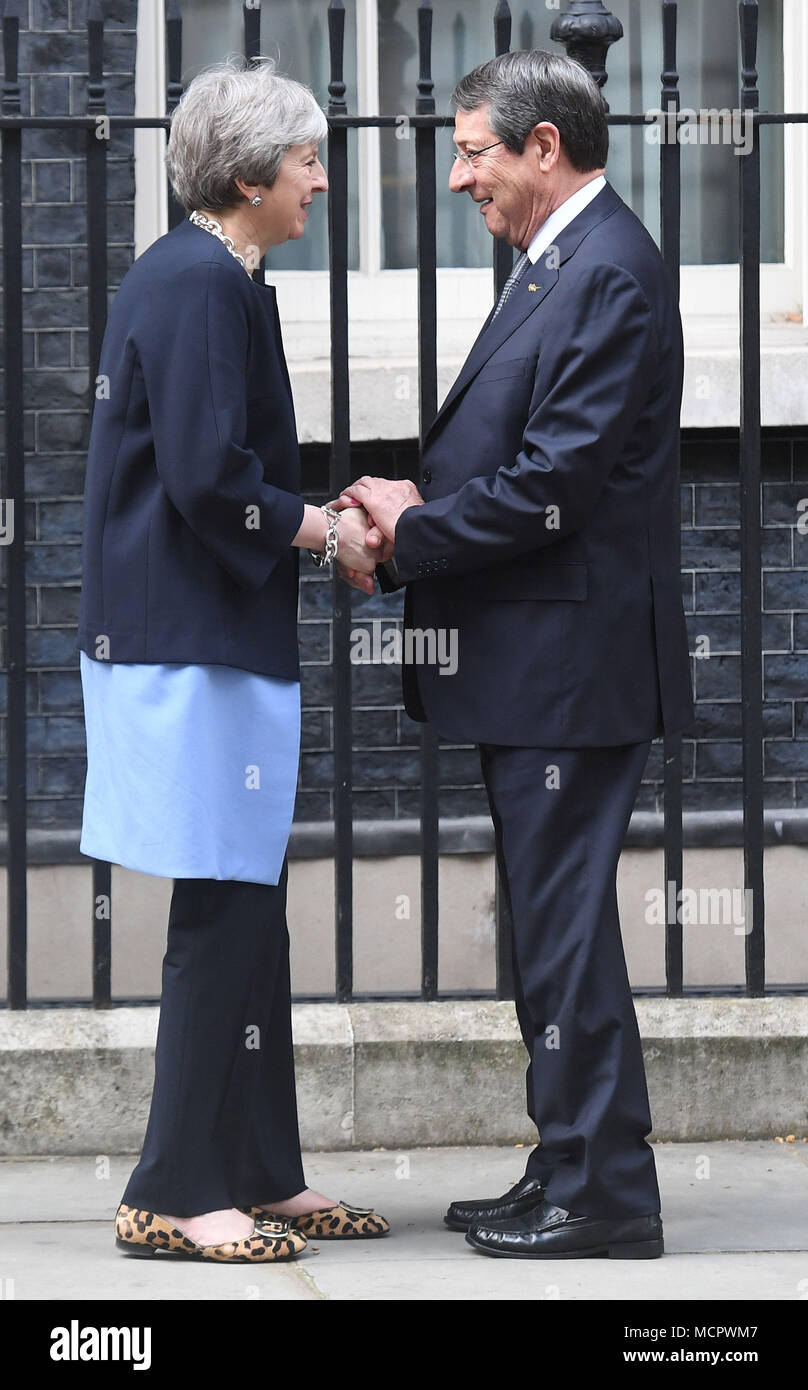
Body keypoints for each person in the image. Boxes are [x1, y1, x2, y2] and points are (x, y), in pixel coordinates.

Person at [338, 50, 694, 1260]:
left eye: (472, 149)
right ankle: (566, 1158)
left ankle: (606, 1193)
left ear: (546, 147)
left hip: (573, 665)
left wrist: (414, 529)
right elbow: (521, 447)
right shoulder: (562, 263)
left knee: (563, 926)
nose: (455, 176)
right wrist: (418, 499)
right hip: (541, 658)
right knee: (549, 923)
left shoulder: (608, 271)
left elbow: (557, 483)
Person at [77, 55, 388, 1264]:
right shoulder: (202, 280)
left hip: (207, 633)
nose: (320, 178)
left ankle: (259, 1168)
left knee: (251, 908)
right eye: (307, 158)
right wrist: (326, 532)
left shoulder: (216, 275)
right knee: (219, 908)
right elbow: (210, 479)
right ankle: (169, 1186)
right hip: (187, 641)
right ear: (252, 172)